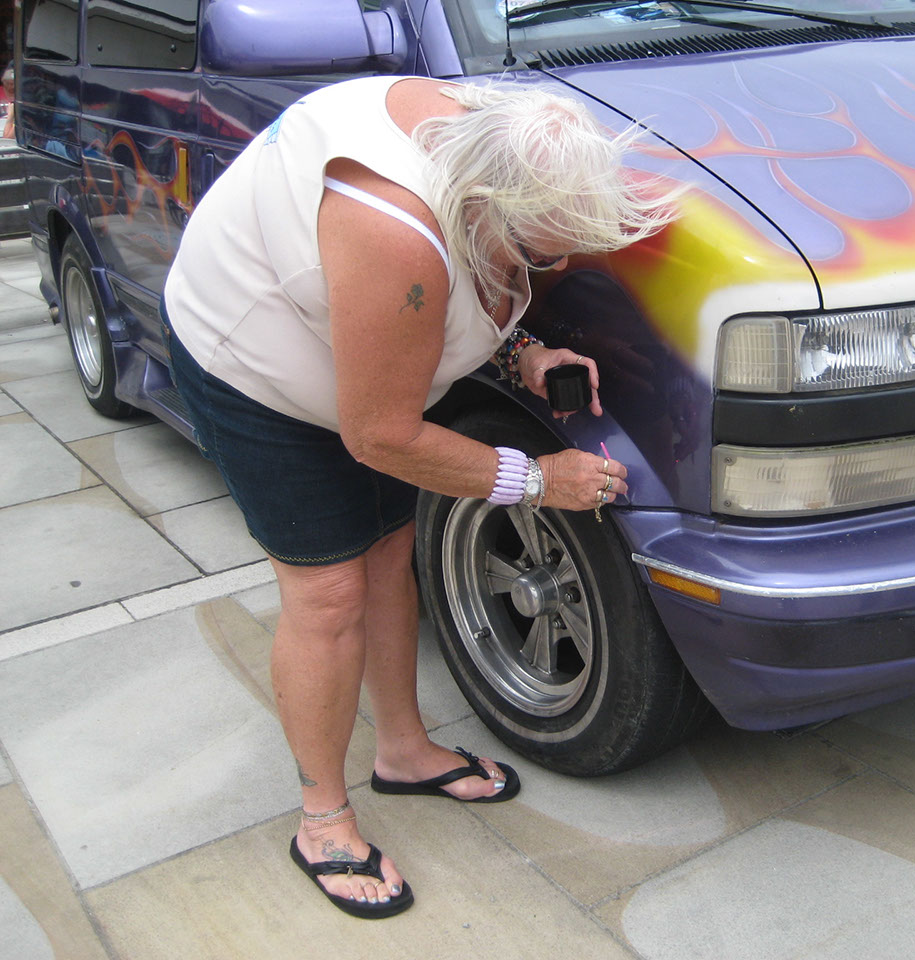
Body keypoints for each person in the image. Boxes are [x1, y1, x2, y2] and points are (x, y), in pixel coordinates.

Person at [161, 76, 679, 919]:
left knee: (389, 554)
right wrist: (540, 482)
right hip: (252, 364)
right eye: (540, 254)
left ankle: (402, 752)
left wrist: (522, 354)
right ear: (483, 203)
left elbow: (451, 307)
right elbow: (381, 436)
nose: (548, 268)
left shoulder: (499, 128)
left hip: (359, 355)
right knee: (329, 592)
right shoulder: (393, 230)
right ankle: (322, 819)